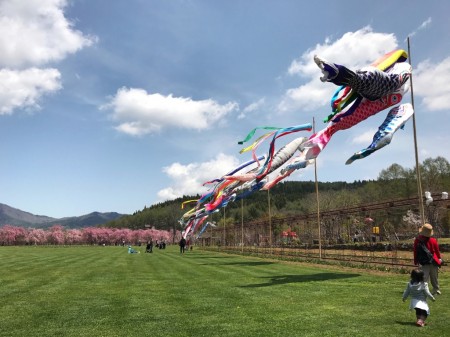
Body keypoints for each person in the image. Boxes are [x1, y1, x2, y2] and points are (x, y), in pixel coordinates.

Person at [413, 223, 442, 295]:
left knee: (424, 277)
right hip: (434, 261)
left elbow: (415, 251)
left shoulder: (418, 240)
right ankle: (436, 289)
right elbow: (437, 251)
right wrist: (439, 259)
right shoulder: (433, 240)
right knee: (434, 277)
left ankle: (424, 290)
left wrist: (416, 261)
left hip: (424, 262)